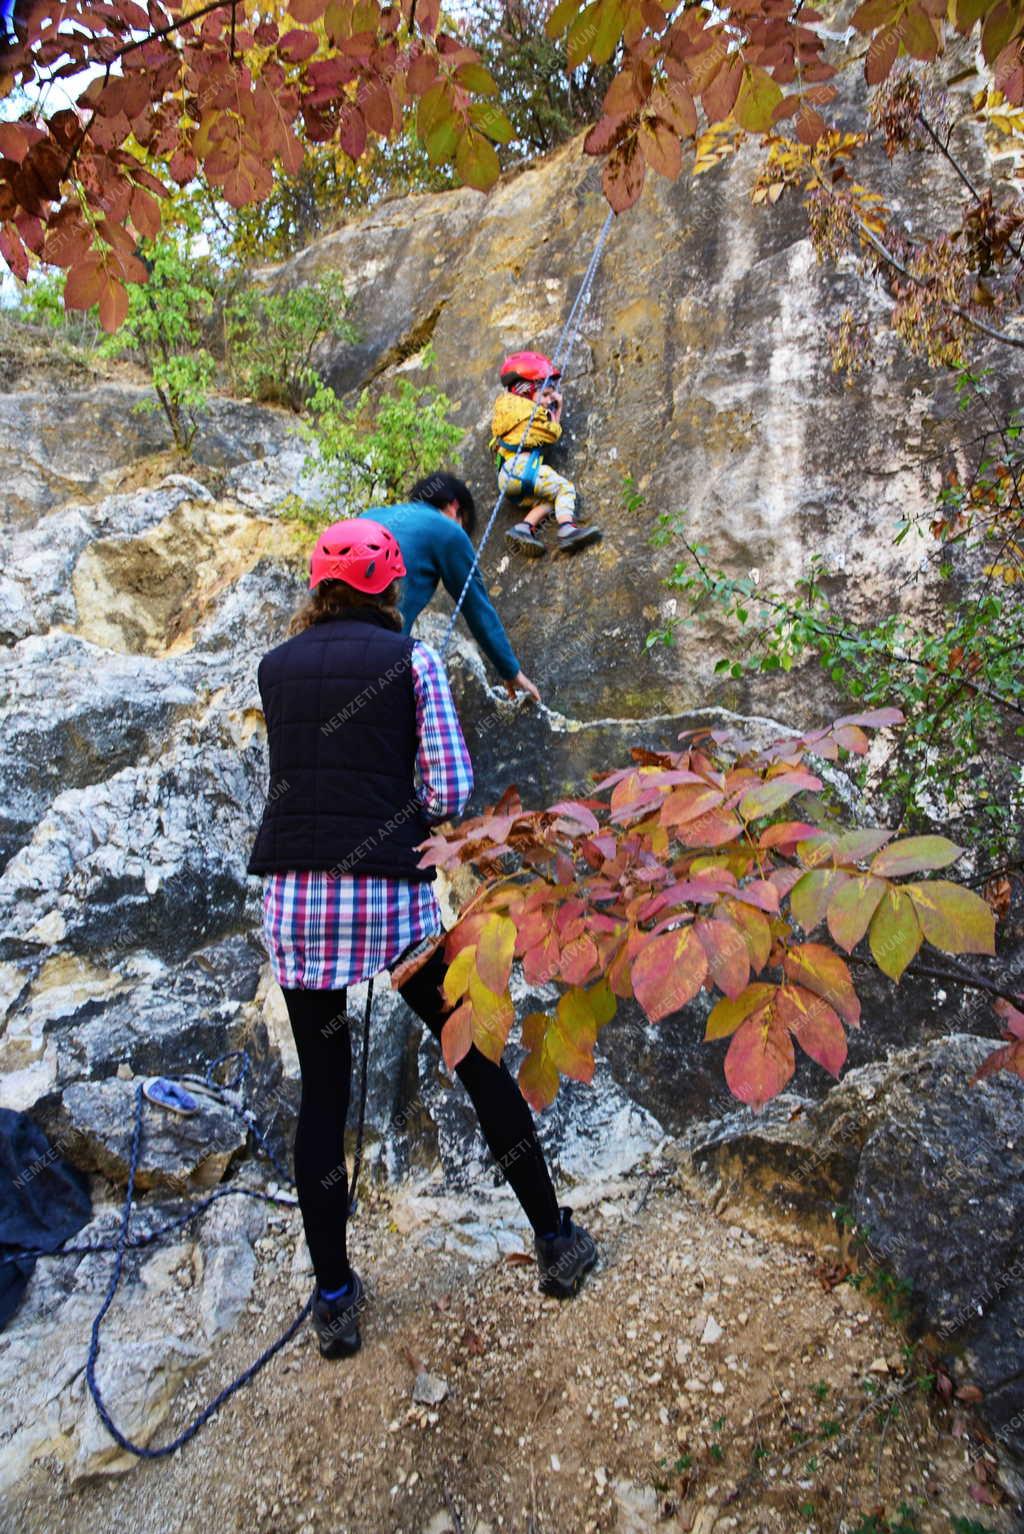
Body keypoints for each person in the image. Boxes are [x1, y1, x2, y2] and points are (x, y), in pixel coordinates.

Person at [247, 518, 597, 1360]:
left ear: (317, 588)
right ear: (389, 588)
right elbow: (447, 787)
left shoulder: (274, 667)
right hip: (390, 901)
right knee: (473, 1058)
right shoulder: (414, 661)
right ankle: (554, 1239)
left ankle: (334, 1300)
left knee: (323, 1102)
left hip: (296, 902)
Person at [369, 473, 540, 703]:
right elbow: (476, 606)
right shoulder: (447, 530)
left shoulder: (370, 516)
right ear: (455, 507)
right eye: (464, 525)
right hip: (379, 652)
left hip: (319, 642)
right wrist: (510, 670)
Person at [489, 350, 603, 557]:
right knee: (566, 489)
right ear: (525, 391)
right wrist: (556, 412)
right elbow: (552, 435)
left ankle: (523, 528)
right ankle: (568, 529)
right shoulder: (529, 414)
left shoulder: (509, 412)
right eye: (545, 394)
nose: (550, 399)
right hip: (522, 470)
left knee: (551, 500)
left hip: (511, 476)